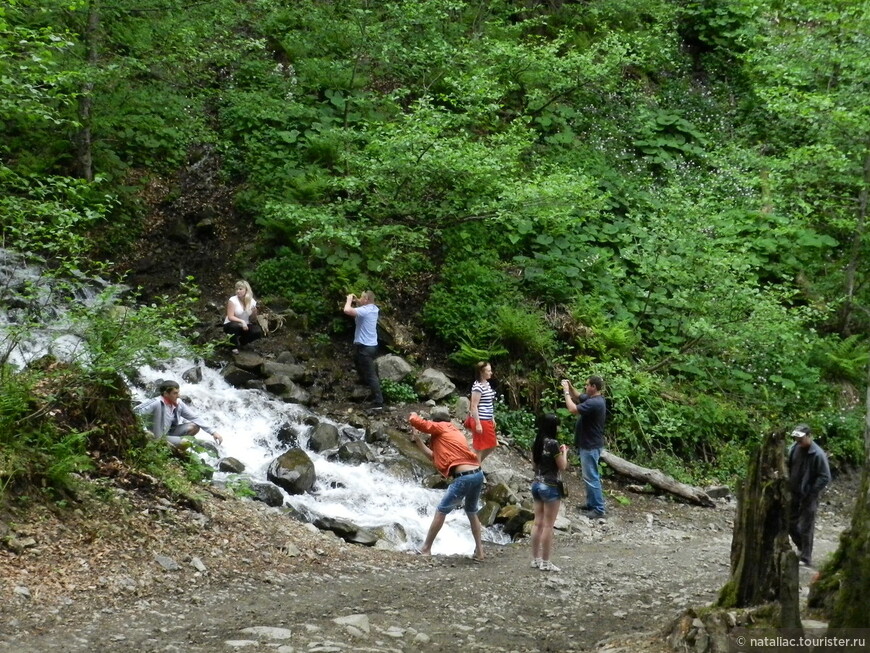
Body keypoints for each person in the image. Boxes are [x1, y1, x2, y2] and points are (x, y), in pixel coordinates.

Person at [408, 407, 485, 561]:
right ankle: (480, 552)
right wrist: (418, 441)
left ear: (436, 422)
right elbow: (434, 457)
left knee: (441, 511)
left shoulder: (442, 427)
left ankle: (426, 548)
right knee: (471, 512)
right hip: (477, 474)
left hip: (464, 477)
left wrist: (413, 416)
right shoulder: (452, 432)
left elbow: (420, 423)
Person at [562, 375, 607, 519]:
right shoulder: (593, 398)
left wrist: (566, 392)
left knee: (592, 476)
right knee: (588, 476)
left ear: (594, 387)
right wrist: (570, 386)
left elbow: (573, 409)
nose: (585, 387)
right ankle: (591, 504)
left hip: (590, 445)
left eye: (587, 385)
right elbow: (579, 396)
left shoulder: (595, 403)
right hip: (588, 443)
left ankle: (598, 509)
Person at [787, 424, 831, 567]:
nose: (798, 441)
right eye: (796, 438)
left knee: (807, 526)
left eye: (800, 438)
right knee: (790, 522)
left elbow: (825, 476)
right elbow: (787, 465)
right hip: (793, 492)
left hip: (809, 495)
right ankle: (801, 547)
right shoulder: (793, 449)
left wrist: (812, 491)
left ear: (808, 436)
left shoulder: (817, 454)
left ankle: (806, 557)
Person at [134, 380, 224, 448]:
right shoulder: (156, 402)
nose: (178, 395)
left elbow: (194, 417)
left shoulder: (178, 403)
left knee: (194, 426)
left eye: (178, 392)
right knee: (186, 443)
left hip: (169, 432)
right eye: (175, 393)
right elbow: (136, 411)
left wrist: (213, 432)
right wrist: (143, 430)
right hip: (157, 436)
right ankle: (169, 452)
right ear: (165, 394)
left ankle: (173, 448)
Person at [530, 413, 568, 572]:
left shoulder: (537, 442)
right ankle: (546, 562)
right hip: (550, 486)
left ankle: (535, 559)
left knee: (537, 523)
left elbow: (534, 464)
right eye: (557, 425)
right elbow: (562, 466)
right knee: (548, 526)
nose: (558, 428)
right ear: (553, 427)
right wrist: (565, 452)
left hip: (537, 484)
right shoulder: (553, 443)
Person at [343, 290, 384, 409]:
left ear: (366, 300)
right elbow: (360, 309)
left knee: (371, 374)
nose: (360, 300)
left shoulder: (365, 311)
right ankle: (364, 381)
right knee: (357, 359)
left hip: (365, 347)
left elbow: (347, 310)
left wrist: (349, 300)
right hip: (370, 346)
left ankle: (378, 401)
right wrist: (357, 301)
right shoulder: (374, 309)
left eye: (362, 298)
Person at [468, 361, 499, 463]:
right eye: (489, 371)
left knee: (493, 444)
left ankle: (476, 463)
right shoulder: (478, 386)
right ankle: (477, 468)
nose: (491, 373)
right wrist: (477, 424)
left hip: (487, 419)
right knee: (479, 447)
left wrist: (492, 417)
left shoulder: (487, 384)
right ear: (482, 372)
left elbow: (489, 403)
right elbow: (474, 405)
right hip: (480, 419)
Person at [223, 280, 262, 354]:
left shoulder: (252, 301)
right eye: (236, 289)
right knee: (234, 326)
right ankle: (233, 346)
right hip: (231, 324)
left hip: (245, 325)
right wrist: (242, 321)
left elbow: (252, 319)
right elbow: (230, 316)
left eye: (240, 289)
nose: (238, 291)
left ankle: (242, 342)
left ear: (246, 290)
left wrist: (254, 312)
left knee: (257, 331)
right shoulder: (232, 300)